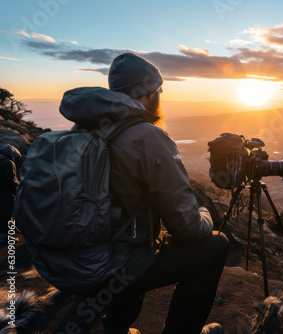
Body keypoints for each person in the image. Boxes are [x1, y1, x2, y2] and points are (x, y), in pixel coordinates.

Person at [59, 53, 229, 334]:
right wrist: (204, 214)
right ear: (149, 94)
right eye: (159, 90)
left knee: (130, 234)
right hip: (112, 266)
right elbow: (186, 228)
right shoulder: (148, 136)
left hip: (75, 259)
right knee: (215, 246)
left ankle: (117, 328)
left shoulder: (83, 128)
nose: (161, 96)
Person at [0, 143, 20, 247]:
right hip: (4, 193)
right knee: (7, 214)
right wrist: (17, 188)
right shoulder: (8, 162)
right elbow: (10, 180)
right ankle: (7, 238)